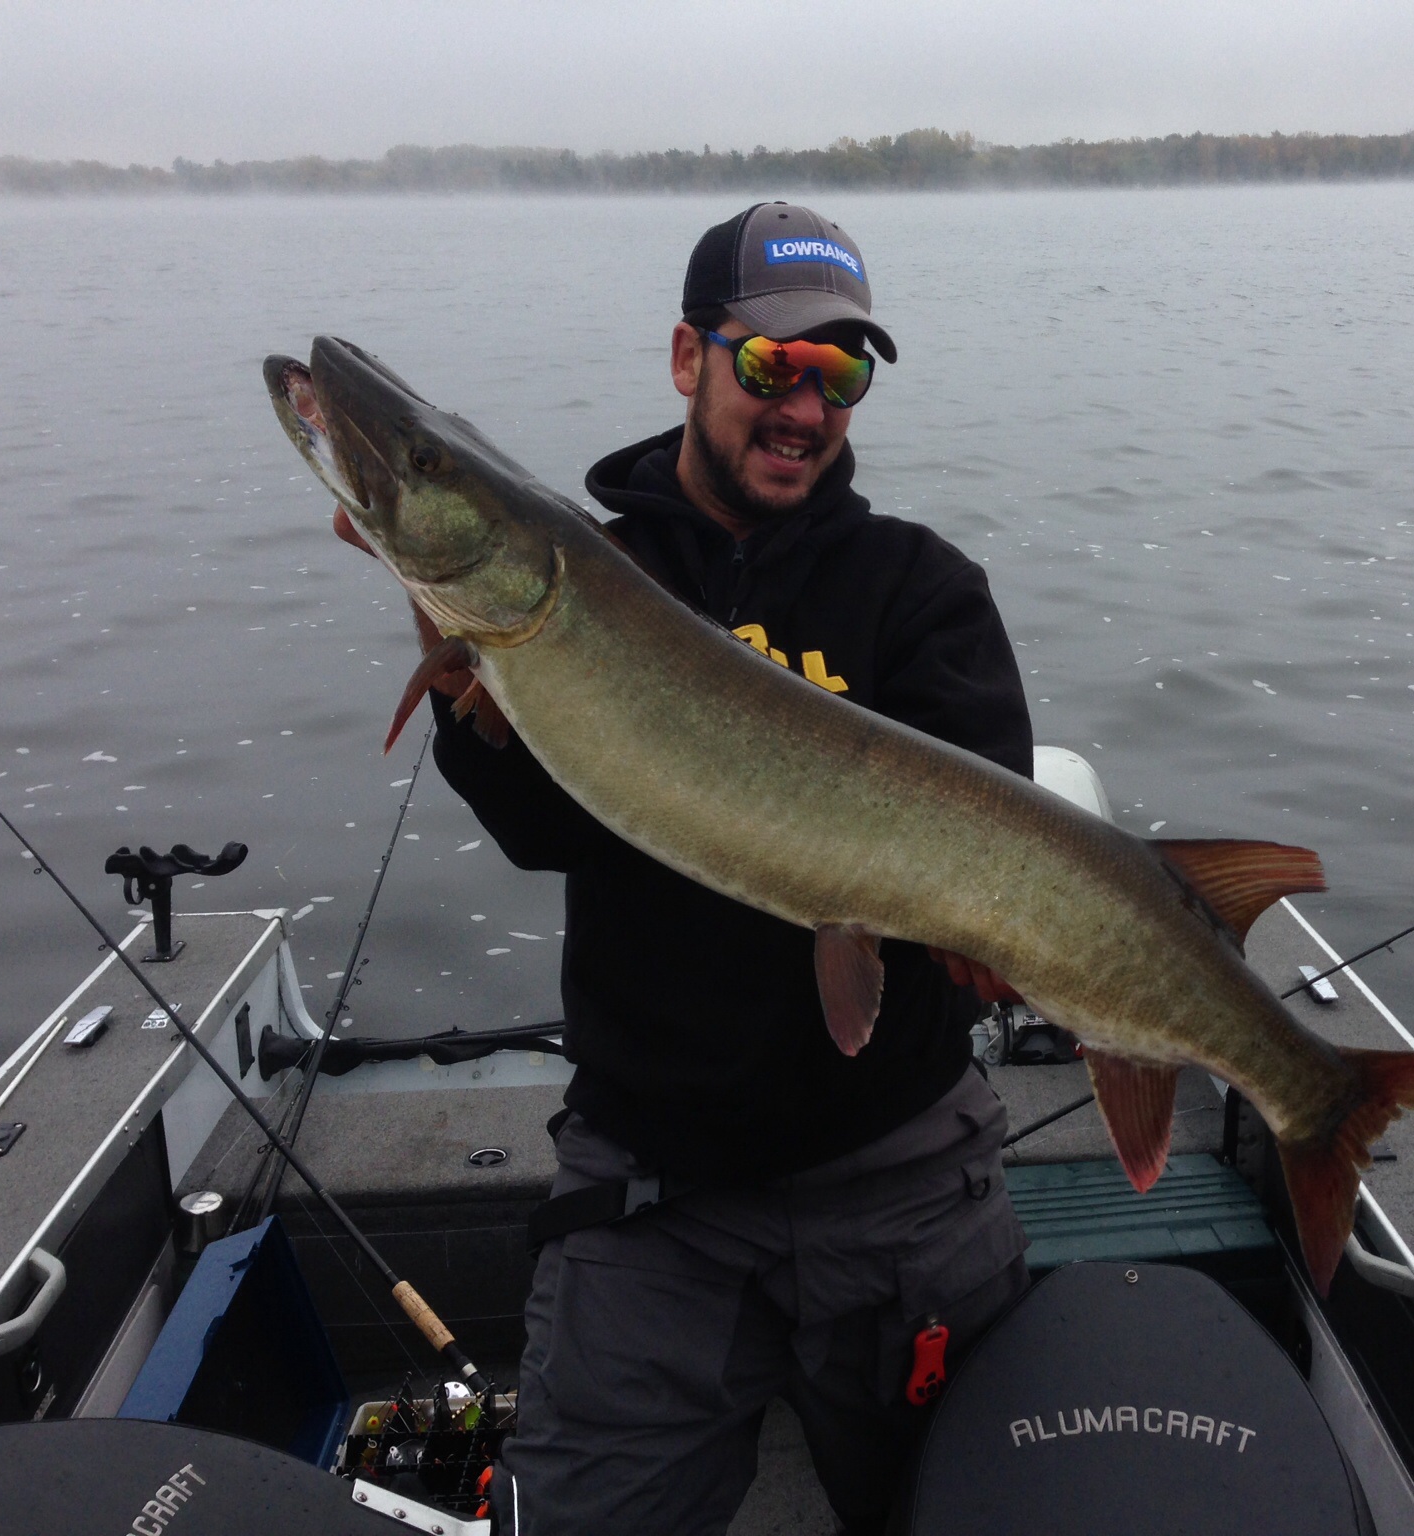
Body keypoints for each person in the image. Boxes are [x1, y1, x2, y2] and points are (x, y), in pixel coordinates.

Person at [349, 203, 1036, 1535]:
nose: (806, 405)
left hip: (902, 1174)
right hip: (652, 1188)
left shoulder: (921, 588)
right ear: (688, 358)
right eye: (773, 364)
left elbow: (990, 861)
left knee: (974, 1508)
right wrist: (448, 632)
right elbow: (538, 825)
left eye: (841, 373)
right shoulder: (588, 572)